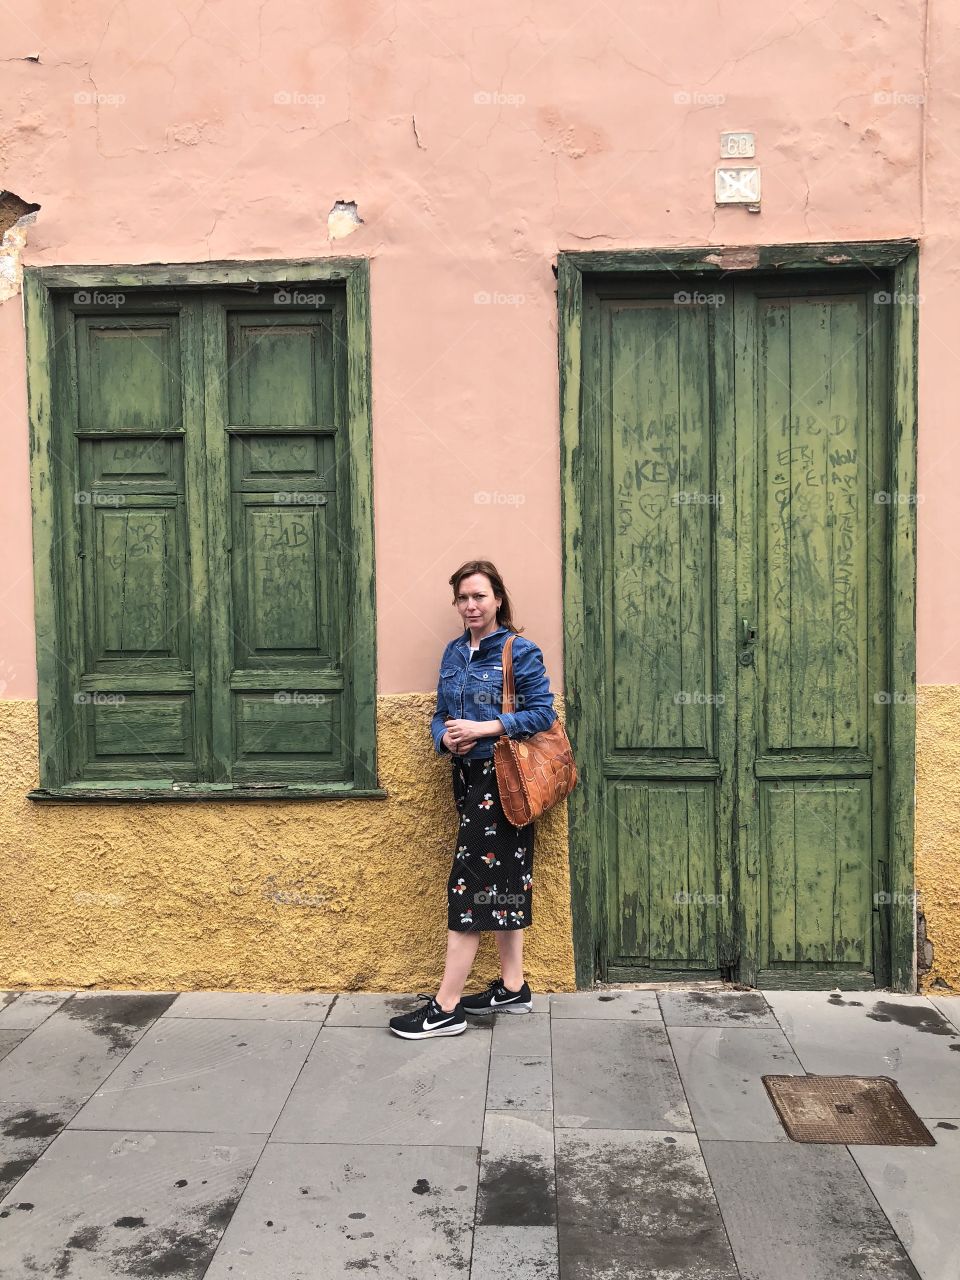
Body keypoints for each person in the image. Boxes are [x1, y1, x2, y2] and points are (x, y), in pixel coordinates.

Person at [388, 560, 558, 1040]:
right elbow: (441, 713)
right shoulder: (453, 653)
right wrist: (446, 738)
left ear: (498, 599)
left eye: (479, 596)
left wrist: (484, 728)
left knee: (470, 884)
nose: (470, 605)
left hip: (505, 781)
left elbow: (543, 712)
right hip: (466, 778)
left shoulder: (518, 651)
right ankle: (513, 986)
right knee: (502, 878)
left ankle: (445, 1008)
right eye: (463, 597)